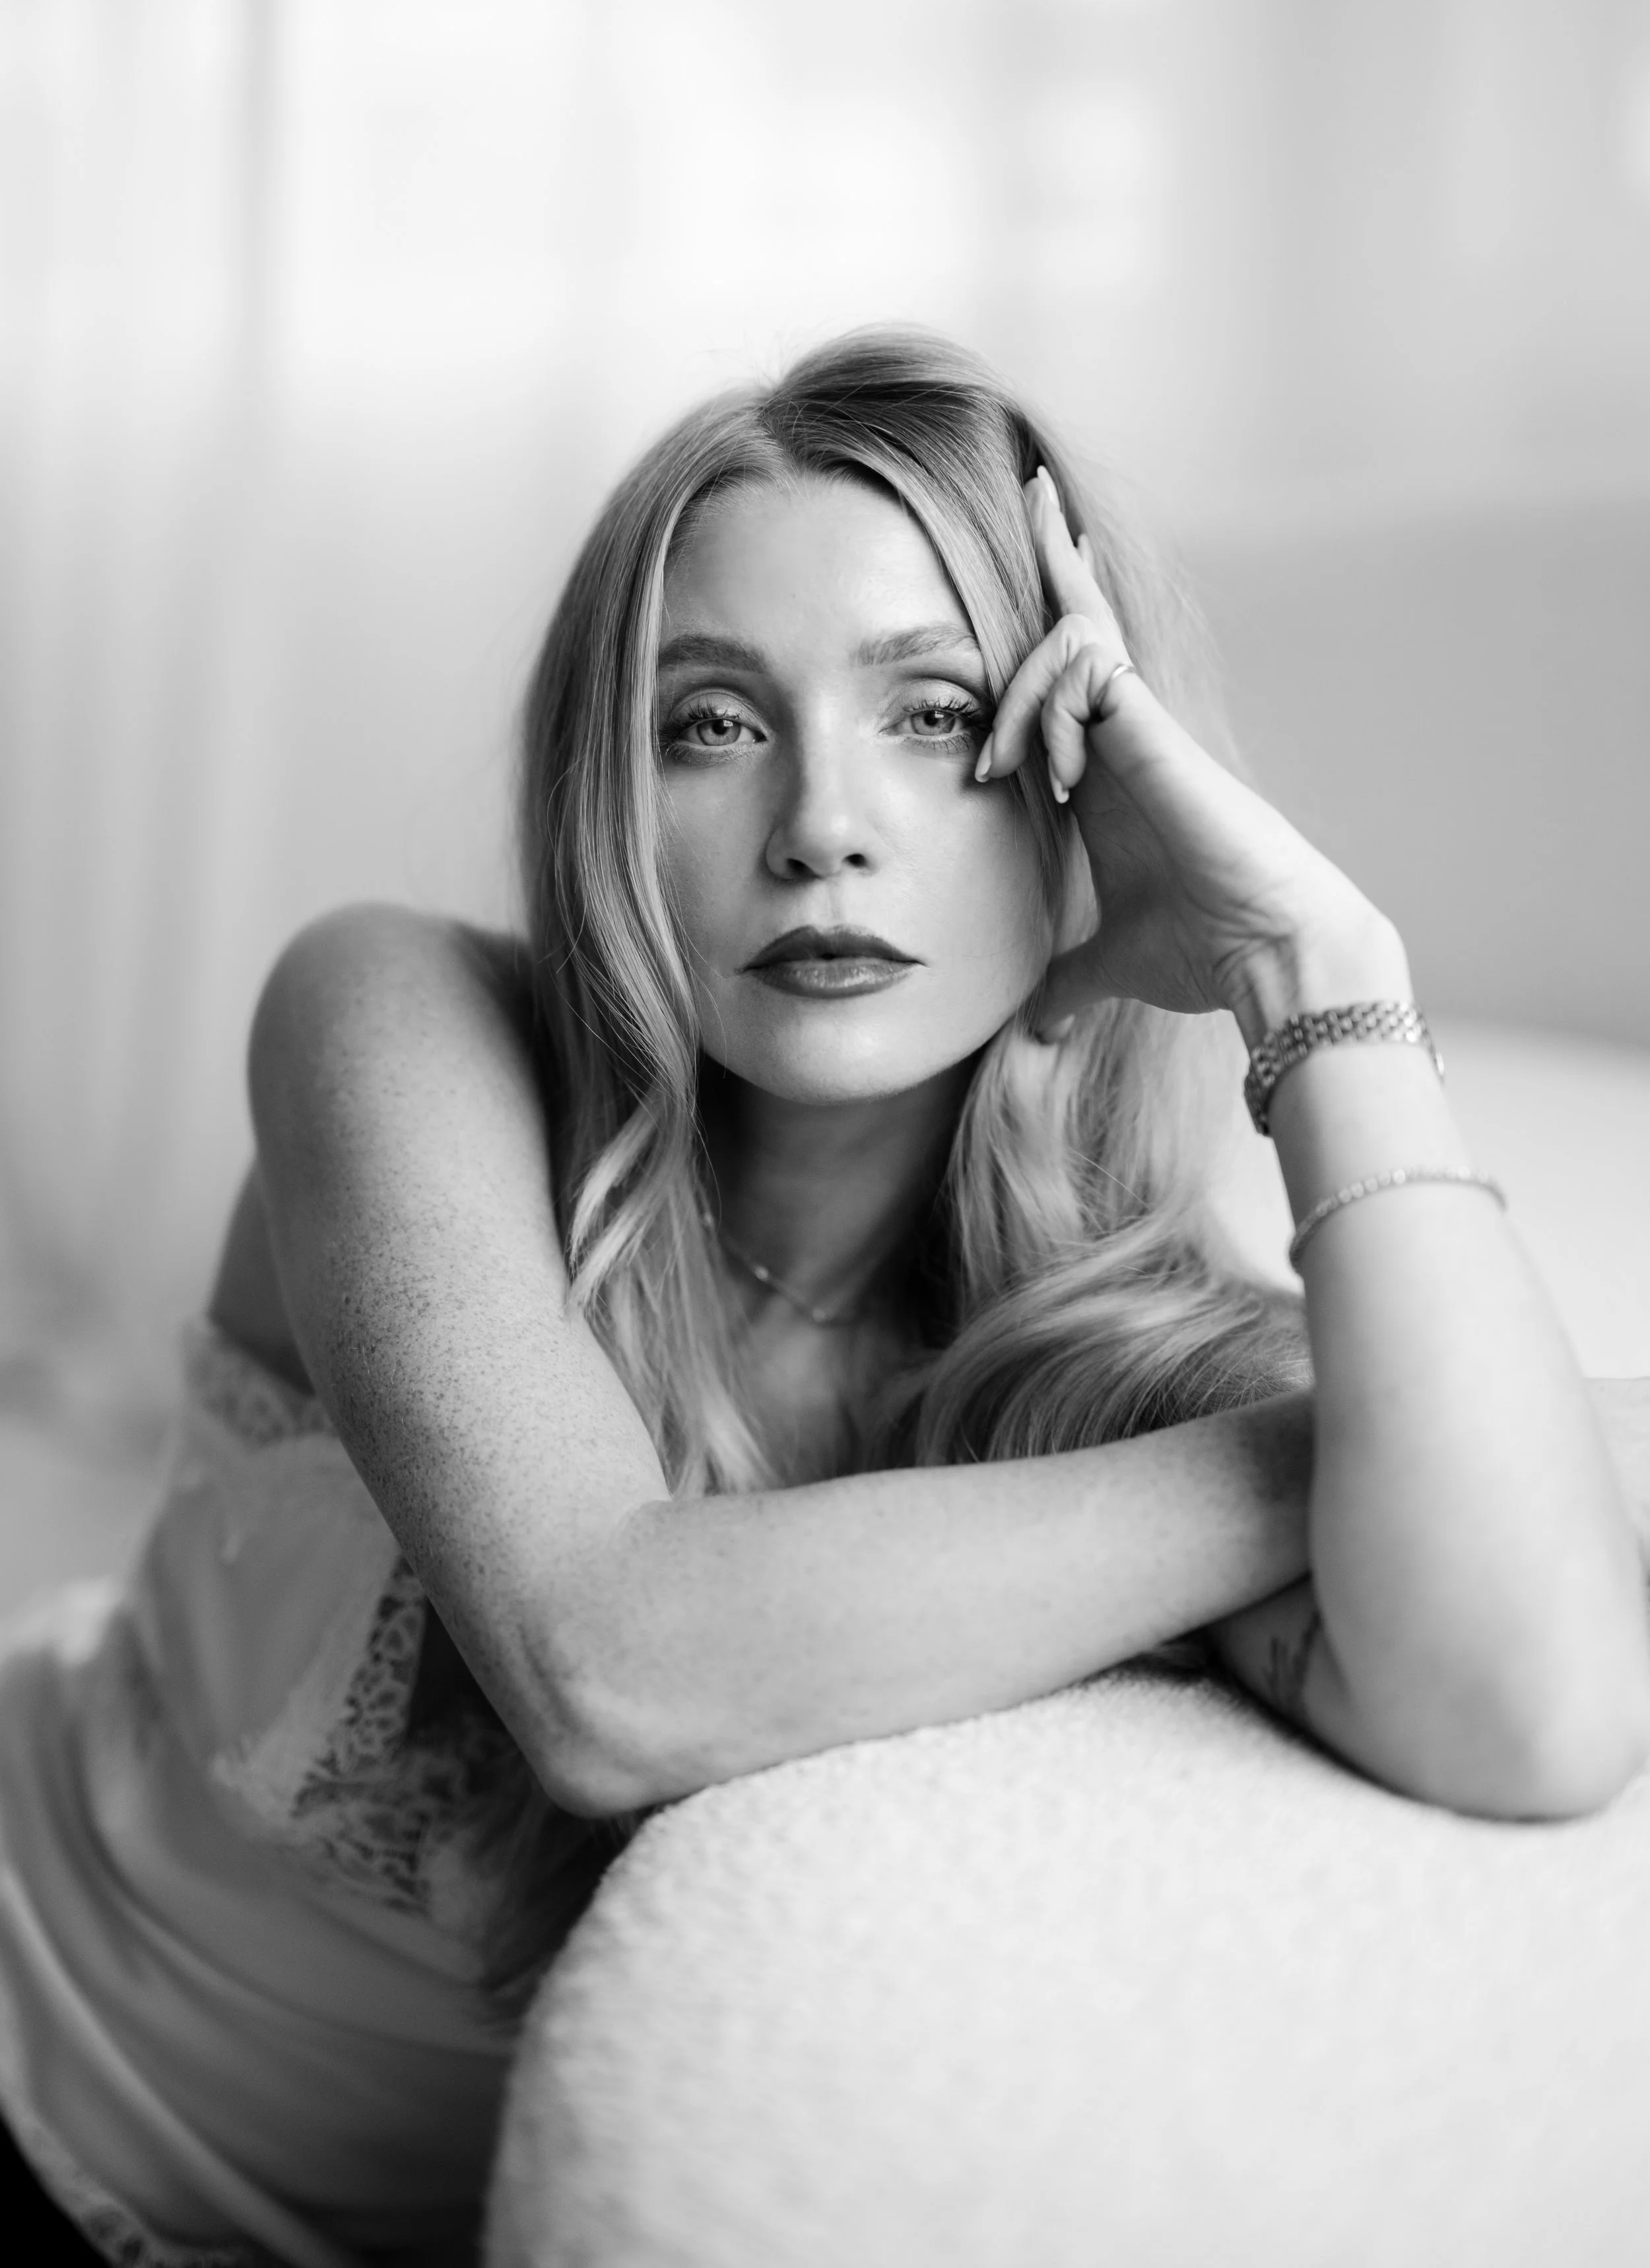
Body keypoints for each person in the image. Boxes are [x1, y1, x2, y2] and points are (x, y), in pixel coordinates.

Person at [3, 329, 1648, 2267]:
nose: (820, 823)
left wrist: (1314, 961)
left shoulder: (1108, 1357)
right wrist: (1335, 1449)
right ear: (602, 796)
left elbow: (1533, 1713)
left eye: (936, 713)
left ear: (1084, 786)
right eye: (709, 721)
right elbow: (607, 1660)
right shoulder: (402, 1018)